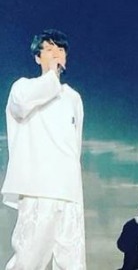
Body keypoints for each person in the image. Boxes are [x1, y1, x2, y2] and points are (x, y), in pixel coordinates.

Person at [1, 29, 86, 270]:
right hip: (38, 188)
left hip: (69, 191)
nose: (56, 54)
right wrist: (51, 76)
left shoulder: (73, 98)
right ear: (37, 58)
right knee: (29, 257)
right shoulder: (22, 87)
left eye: (60, 50)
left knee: (72, 259)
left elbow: (75, 146)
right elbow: (22, 106)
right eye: (48, 50)